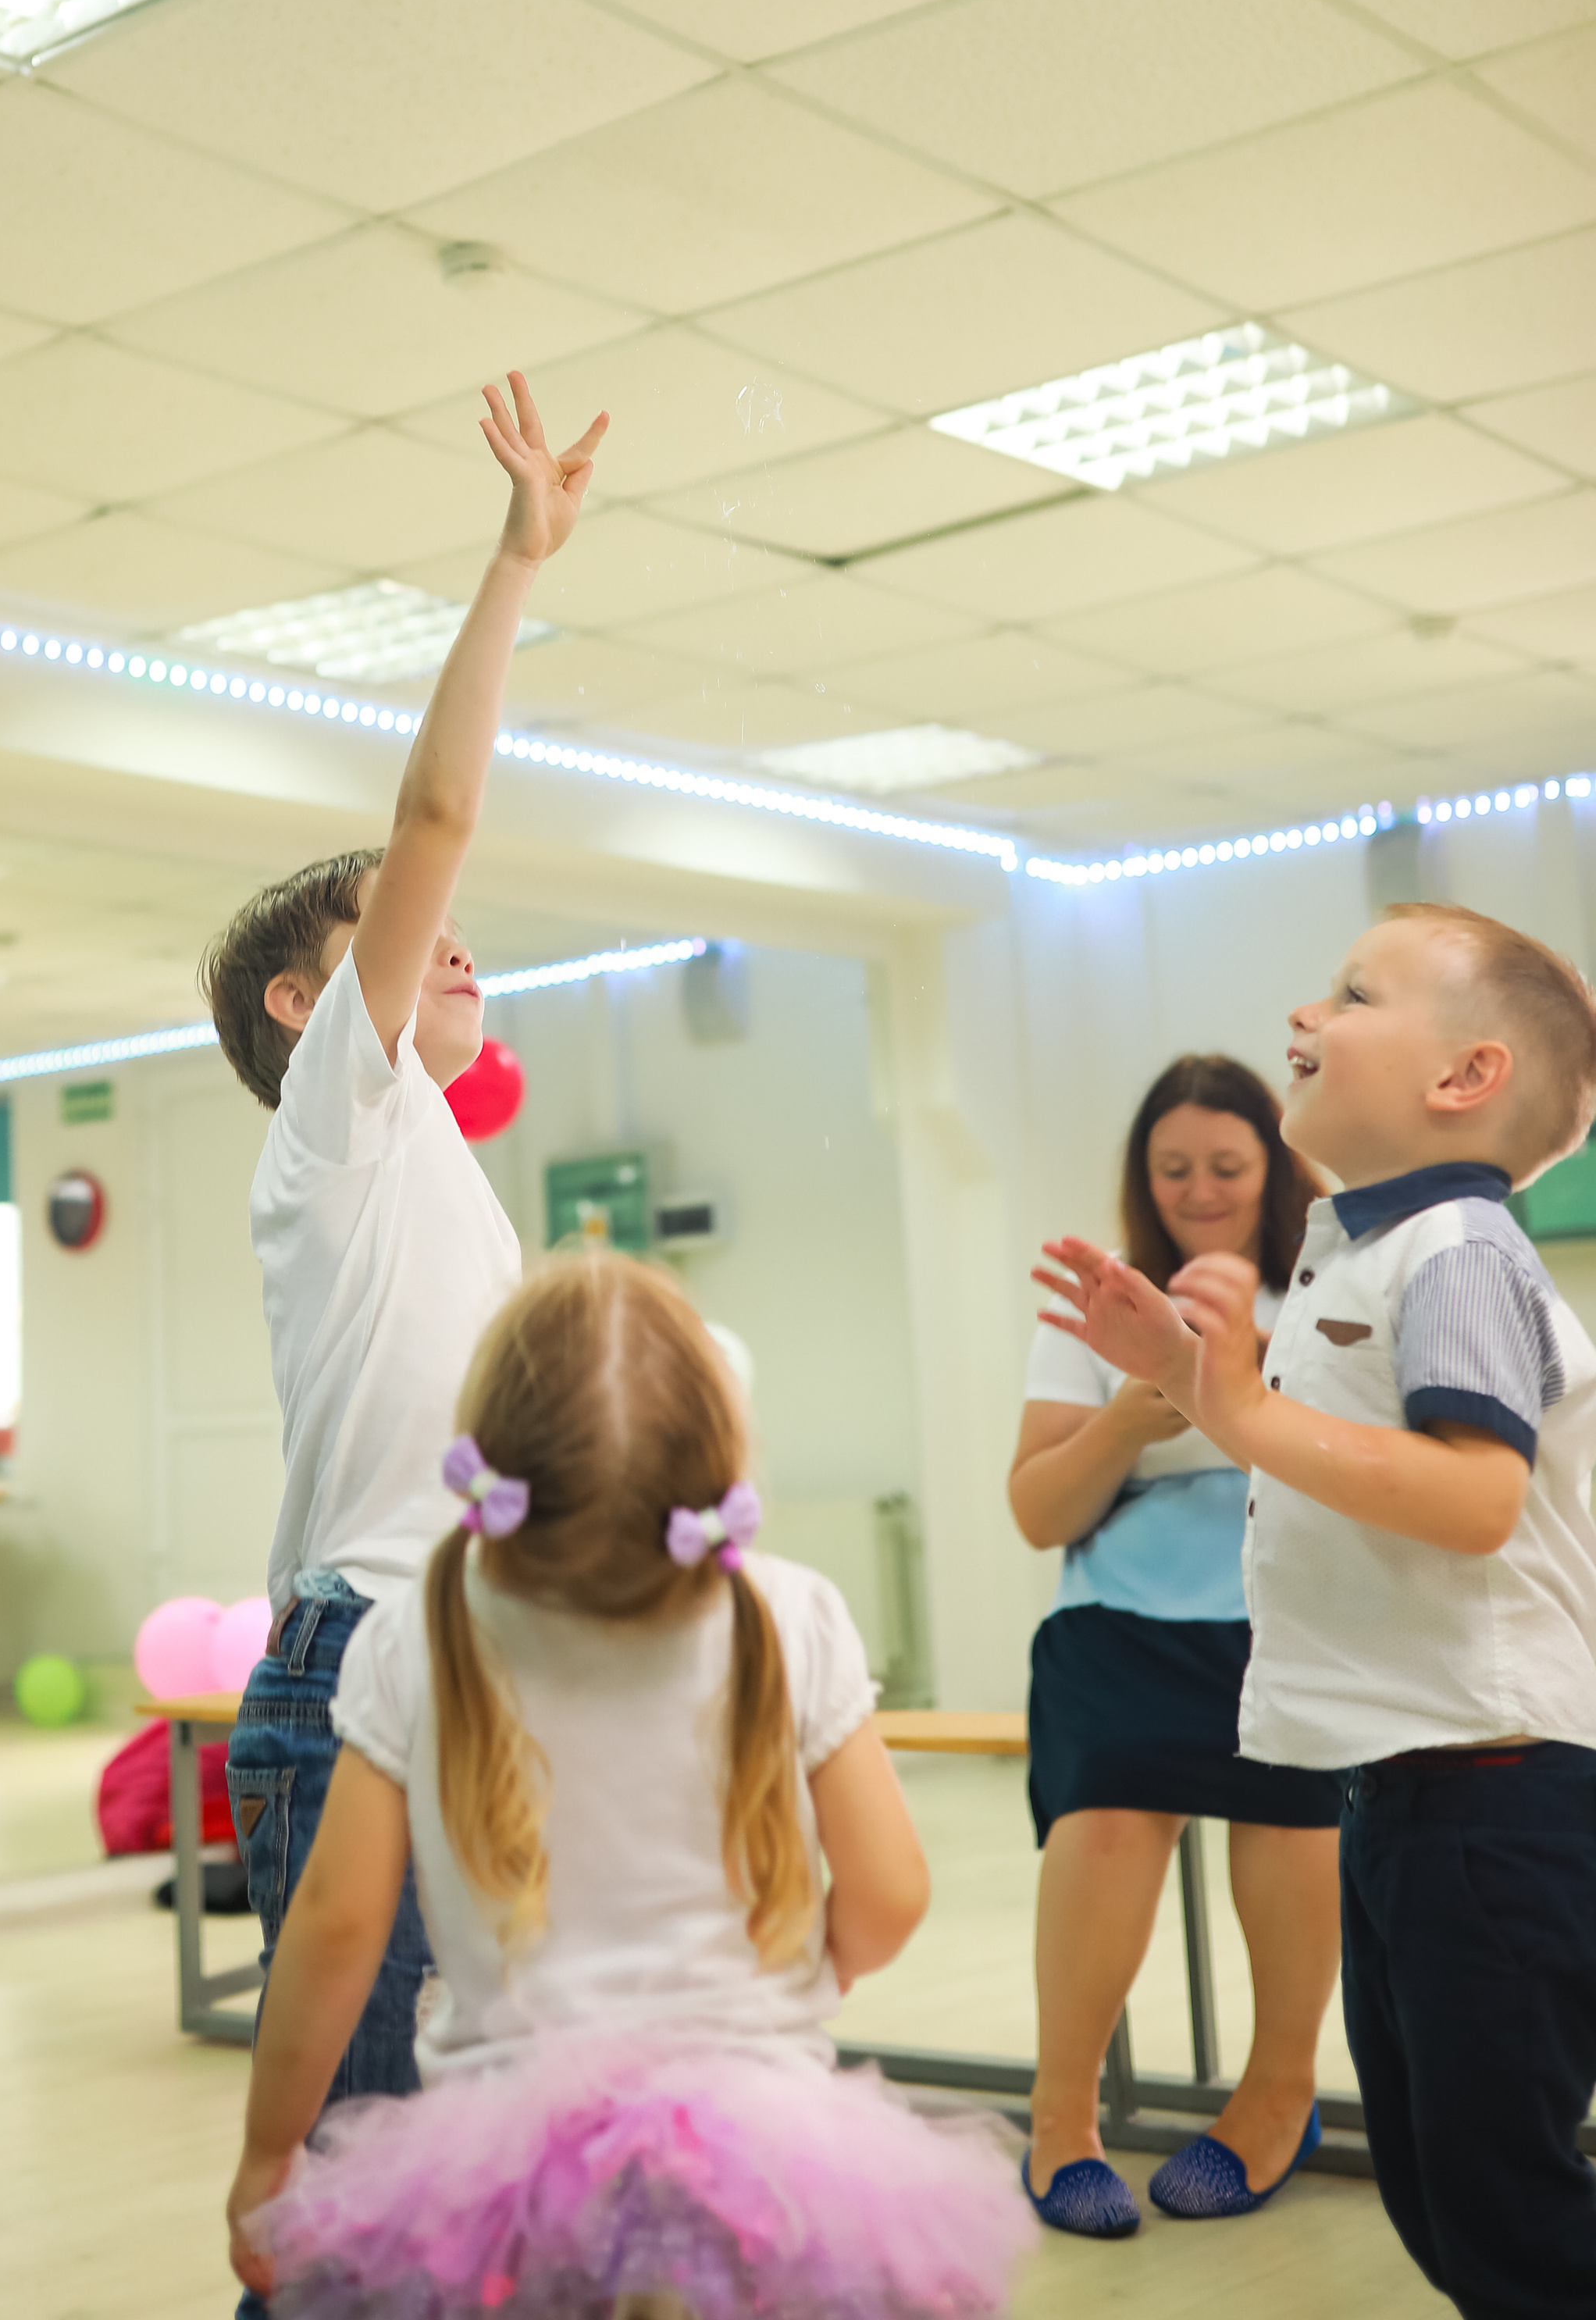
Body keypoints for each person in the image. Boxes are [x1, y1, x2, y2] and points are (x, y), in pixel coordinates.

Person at [223, 1256, 1032, 2320]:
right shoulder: (794, 1615)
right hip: (764, 2149)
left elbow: (335, 1928)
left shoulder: (418, 1632)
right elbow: (890, 1893)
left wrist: (271, 2149)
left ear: (488, 1460)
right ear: (718, 1450)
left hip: (504, 2174)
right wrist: (796, 1979)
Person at [1039, 901, 1596, 2318]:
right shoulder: (1358, 1254)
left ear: (1461, 1079)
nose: (1303, 1016)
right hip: (1409, 1794)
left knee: (1509, 2212)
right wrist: (1192, 1375)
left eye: (1351, 993)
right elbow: (1343, 1471)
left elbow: (1474, 1495)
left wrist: (1230, 1397)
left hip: (1494, 1790)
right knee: (1440, 2191)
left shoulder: (1458, 1247)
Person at [198, 371, 606, 2114]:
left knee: (466, 2186)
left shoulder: (431, 1152)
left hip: (474, 1666)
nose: (449, 942)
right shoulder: (336, 1119)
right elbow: (434, 820)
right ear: (309, 1007)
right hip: (355, 1668)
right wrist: (516, 563)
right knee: (369, 2210)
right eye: (399, 934)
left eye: (448, 935)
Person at [1009, 1056, 1341, 2235]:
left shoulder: (1327, 1291)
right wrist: (1128, 1413)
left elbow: (1353, 1480)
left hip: (1287, 1610)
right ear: (1142, 1180)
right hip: (1120, 1622)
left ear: (1273, 1168)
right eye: (1174, 1168)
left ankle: (1278, 2096)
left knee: (1295, 1813)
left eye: (1227, 1166)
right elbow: (1042, 1512)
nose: (1199, 1189)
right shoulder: (1099, 1308)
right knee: (1105, 1810)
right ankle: (1063, 2123)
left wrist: (1228, 1384)